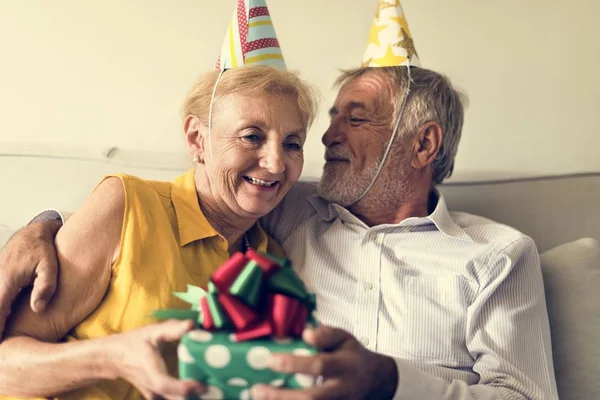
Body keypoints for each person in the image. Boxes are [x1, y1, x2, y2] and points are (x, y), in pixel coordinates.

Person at [0, 1, 559, 399]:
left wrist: (389, 382)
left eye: (354, 119)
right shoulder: (279, 215)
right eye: (253, 136)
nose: (318, 143)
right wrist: (41, 226)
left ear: (424, 143)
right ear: (196, 137)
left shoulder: (496, 255)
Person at [0, 2, 320, 397]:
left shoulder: (273, 263)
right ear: (196, 140)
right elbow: (5, 365)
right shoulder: (127, 205)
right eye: (251, 136)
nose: (275, 164)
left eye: (293, 144)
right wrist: (114, 357)